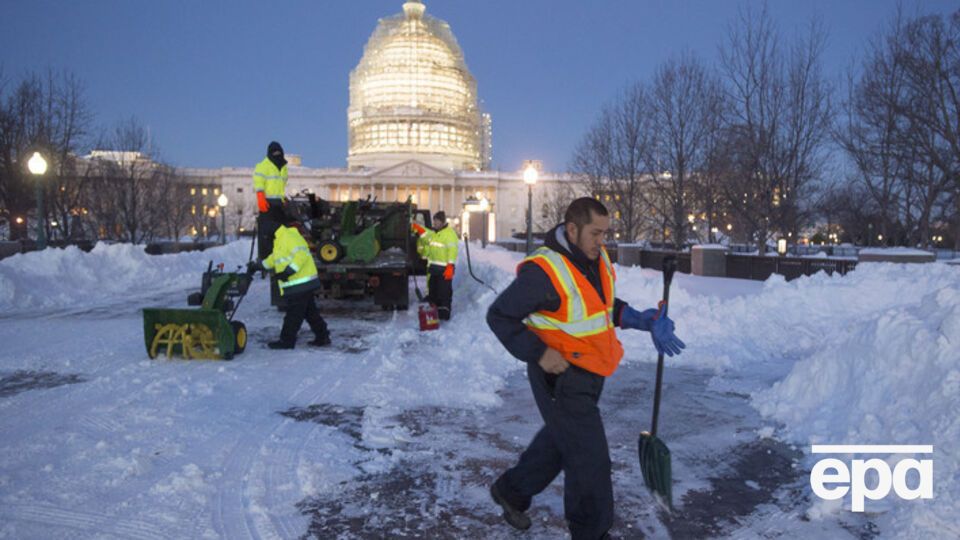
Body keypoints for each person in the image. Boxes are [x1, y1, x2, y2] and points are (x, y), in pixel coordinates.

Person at [485, 197, 685, 539]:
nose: (601, 241)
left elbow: (599, 308)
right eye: (595, 233)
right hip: (558, 377)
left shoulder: (594, 258)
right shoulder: (544, 272)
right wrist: (538, 352)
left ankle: (512, 491)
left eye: (605, 233)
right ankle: (591, 532)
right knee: (590, 461)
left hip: (590, 371)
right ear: (572, 229)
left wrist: (639, 319)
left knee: (562, 443)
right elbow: (499, 315)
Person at [247, 213, 330, 350]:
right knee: (310, 312)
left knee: (293, 315)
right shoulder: (280, 239)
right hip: (302, 283)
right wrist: (259, 265)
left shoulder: (288, 236)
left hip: (300, 283)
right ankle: (323, 336)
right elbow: (275, 259)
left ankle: (287, 341)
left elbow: (301, 255)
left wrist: (289, 271)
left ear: (271, 229)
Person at [253, 141, 288, 305]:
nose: (276, 155)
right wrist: (260, 196)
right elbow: (259, 183)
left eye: (278, 152)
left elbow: (281, 185)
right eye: (274, 153)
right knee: (267, 233)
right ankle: (266, 258)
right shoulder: (262, 166)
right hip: (267, 204)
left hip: (279, 204)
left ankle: (280, 253)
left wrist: (283, 200)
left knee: (281, 233)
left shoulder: (284, 166)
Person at [411, 211, 459, 320]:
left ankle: (444, 314)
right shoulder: (434, 233)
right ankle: (434, 313)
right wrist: (414, 225)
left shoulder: (449, 234)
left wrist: (450, 266)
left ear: (442, 222)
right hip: (434, 269)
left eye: (436, 221)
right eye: (434, 221)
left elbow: (452, 251)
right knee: (433, 292)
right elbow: (424, 233)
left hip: (445, 269)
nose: (434, 223)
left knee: (444, 293)